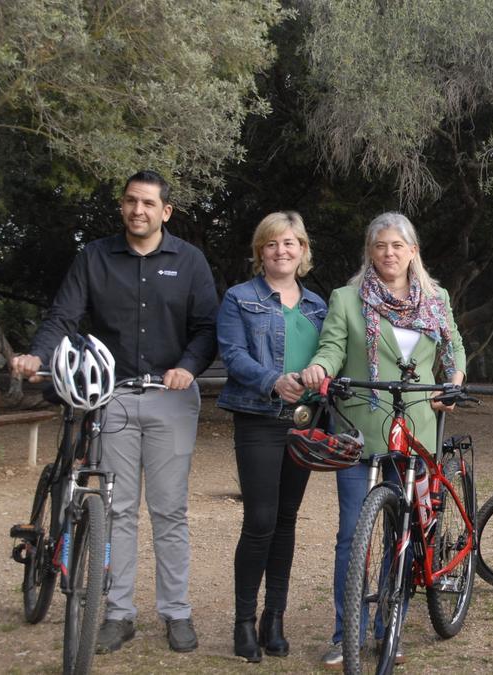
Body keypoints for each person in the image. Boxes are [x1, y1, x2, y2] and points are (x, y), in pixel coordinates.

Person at [9, 170, 218, 655]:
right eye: (130, 202)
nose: (137, 211)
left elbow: (206, 327)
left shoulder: (189, 261)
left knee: (169, 510)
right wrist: (38, 355)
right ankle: (118, 613)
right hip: (113, 398)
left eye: (148, 203)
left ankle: (177, 612)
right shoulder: (95, 256)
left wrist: (188, 367)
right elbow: (63, 315)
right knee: (118, 510)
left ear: (166, 211)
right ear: (122, 207)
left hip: (171, 398)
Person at [298, 211, 466, 669]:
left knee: (404, 534)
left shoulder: (436, 298)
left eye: (397, 245)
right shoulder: (348, 299)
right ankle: (344, 633)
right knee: (353, 536)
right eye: (380, 246)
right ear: (369, 253)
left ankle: (387, 626)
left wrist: (452, 381)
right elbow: (332, 346)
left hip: (416, 430)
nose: (388, 254)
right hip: (361, 430)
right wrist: (322, 368)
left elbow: (453, 348)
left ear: (413, 251)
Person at [216, 212, 327, 662]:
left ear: (302, 251)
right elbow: (233, 354)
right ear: (260, 251)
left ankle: (273, 618)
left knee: (286, 519)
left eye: (290, 243)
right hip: (259, 417)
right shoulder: (239, 298)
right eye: (272, 244)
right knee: (259, 520)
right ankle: (244, 622)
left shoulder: (319, 305)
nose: (281, 251)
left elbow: (331, 354)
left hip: (305, 421)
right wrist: (271, 380)